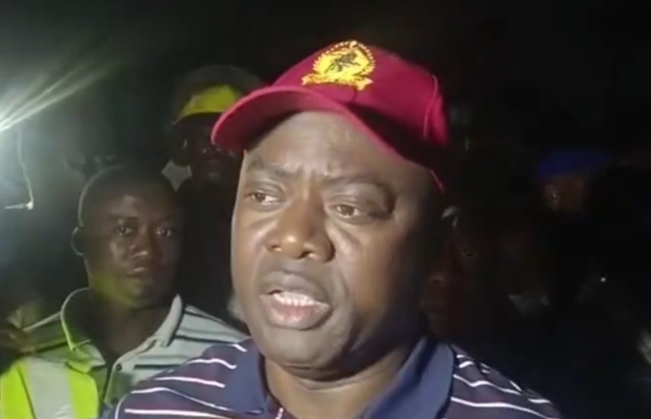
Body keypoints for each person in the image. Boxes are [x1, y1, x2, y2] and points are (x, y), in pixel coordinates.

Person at [108, 40, 562, 419]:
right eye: (264, 196)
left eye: (350, 207)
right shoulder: (155, 408)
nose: (292, 236)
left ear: (435, 243)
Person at [24, 166, 244, 416]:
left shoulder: (232, 359)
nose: (148, 250)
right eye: (124, 230)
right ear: (80, 242)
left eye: (166, 232)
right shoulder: (23, 354)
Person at [163, 66, 264, 324]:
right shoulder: (162, 214)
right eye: (203, 138)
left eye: (227, 138)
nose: (214, 148)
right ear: (185, 148)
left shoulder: (270, 220)